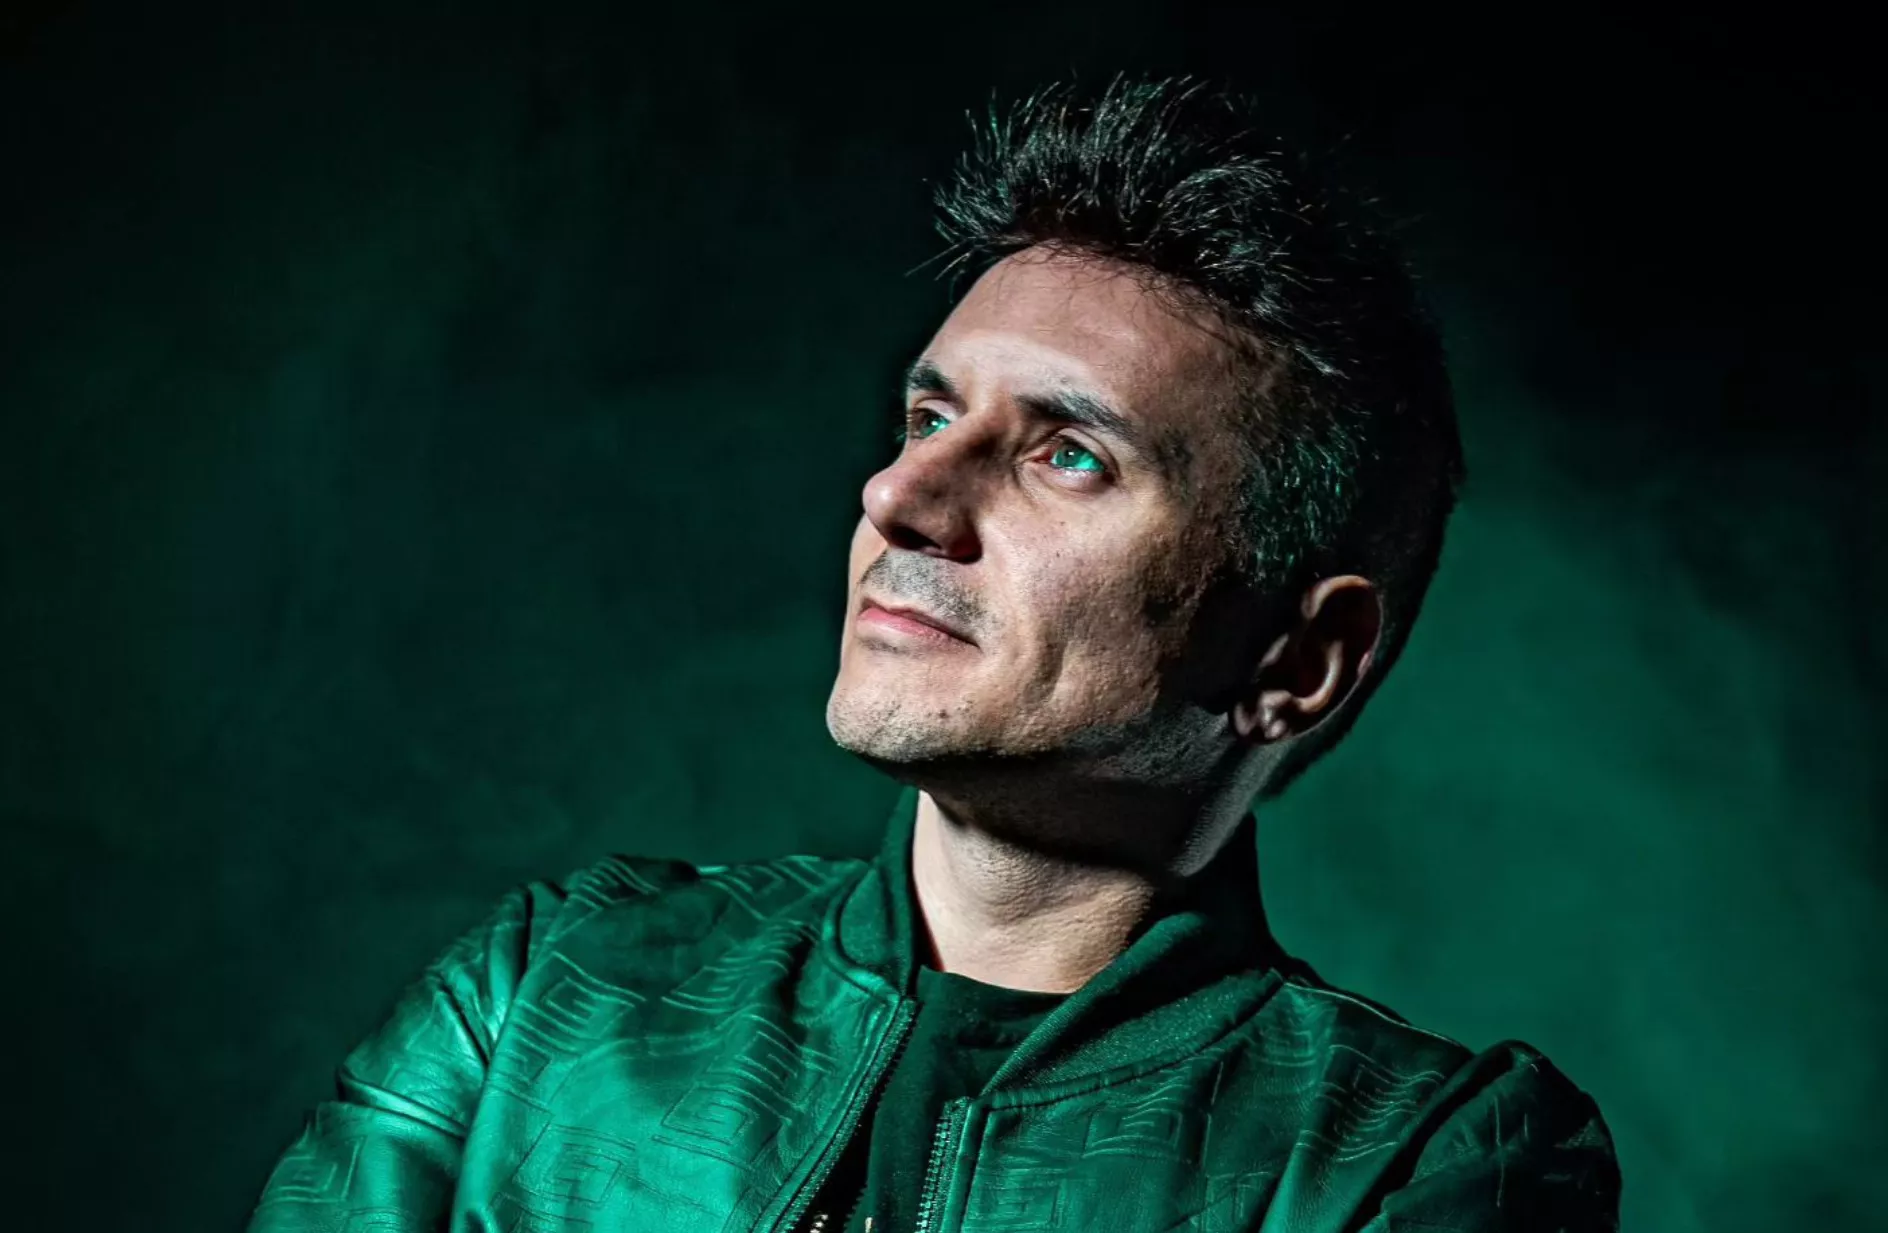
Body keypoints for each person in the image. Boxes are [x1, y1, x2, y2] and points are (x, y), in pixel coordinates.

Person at [246, 75, 1621, 1232]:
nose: (899, 496)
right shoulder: (555, 985)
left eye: (1067, 455)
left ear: (1301, 660)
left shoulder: (1418, 1165)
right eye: (926, 419)